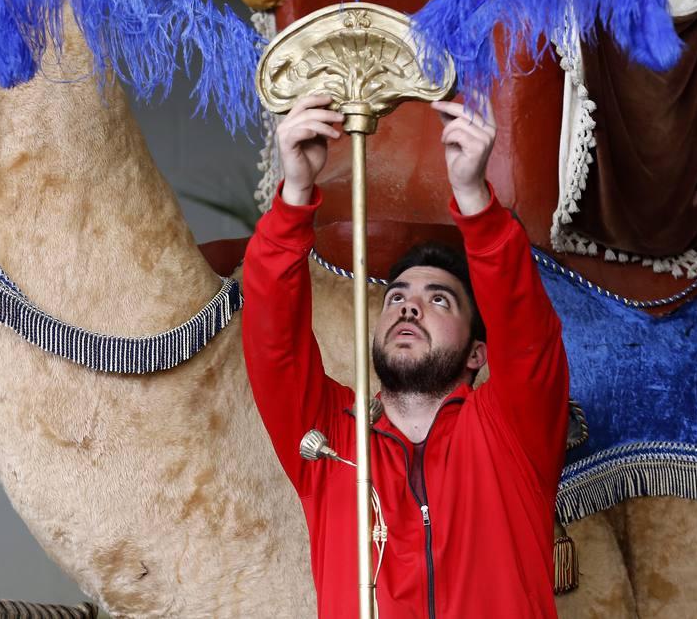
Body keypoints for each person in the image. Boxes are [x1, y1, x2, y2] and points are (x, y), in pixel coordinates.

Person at [242, 93, 570, 618]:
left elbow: (527, 334)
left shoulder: (512, 429)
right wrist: (296, 194)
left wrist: (474, 201)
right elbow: (272, 342)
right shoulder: (328, 438)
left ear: (477, 353)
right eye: (396, 298)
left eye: (437, 299)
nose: (409, 308)